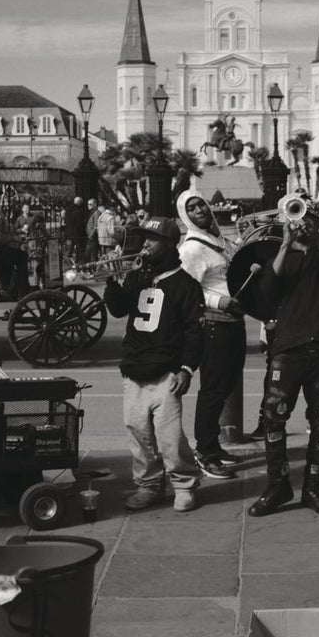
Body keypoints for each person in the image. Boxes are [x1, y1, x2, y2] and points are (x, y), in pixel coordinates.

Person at [246, 202, 319, 517]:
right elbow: (266, 292)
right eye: (298, 216)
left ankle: (313, 488)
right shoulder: (279, 257)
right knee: (273, 416)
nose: (304, 223)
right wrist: (284, 244)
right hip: (289, 347)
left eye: (310, 217)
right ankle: (277, 485)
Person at [103, 218, 205, 512]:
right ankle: (148, 486)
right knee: (139, 435)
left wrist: (187, 368)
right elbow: (119, 308)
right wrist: (112, 280)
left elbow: (193, 332)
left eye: (152, 239)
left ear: (170, 244)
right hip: (134, 369)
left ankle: (183, 485)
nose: (145, 243)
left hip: (166, 373)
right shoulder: (138, 277)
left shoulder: (185, 285)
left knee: (170, 438)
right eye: (144, 238)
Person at [176, 187, 247, 481]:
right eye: (192, 208)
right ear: (185, 215)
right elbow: (188, 290)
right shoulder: (192, 248)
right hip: (215, 323)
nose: (199, 211)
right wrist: (220, 301)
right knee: (213, 390)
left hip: (232, 322)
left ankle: (213, 446)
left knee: (225, 386)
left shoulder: (216, 239)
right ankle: (204, 453)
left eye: (201, 205)